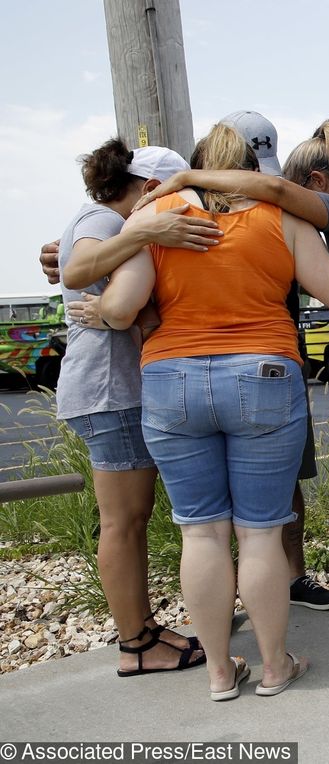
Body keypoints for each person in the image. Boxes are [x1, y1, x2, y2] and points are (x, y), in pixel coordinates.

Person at [98, 123, 329, 697]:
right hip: (263, 372)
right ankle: (275, 666)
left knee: (201, 533)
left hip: (171, 375)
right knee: (259, 533)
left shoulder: (159, 219)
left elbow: (119, 309)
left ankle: (217, 673)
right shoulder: (282, 218)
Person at [53, 138, 217, 678]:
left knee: (133, 518)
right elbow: (77, 271)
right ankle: (137, 644)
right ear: (149, 189)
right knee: (123, 521)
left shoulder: (102, 219)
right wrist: (146, 229)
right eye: (174, 194)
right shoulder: (102, 218)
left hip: (113, 389)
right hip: (109, 389)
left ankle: (144, 632)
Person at [220, 110, 329, 611]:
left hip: (275, 360)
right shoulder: (186, 208)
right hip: (226, 361)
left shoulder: (282, 213)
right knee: (215, 500)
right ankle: (228, 592)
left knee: (287, 480)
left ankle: (292, 577)